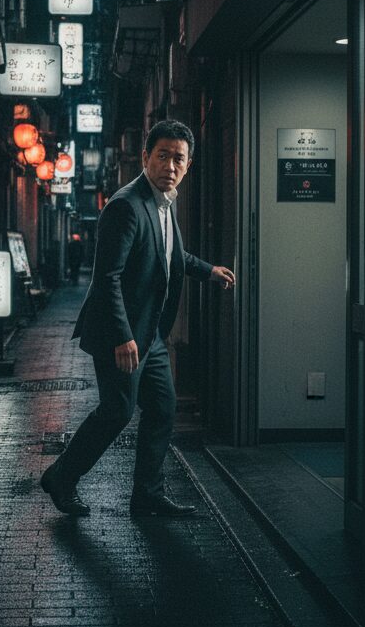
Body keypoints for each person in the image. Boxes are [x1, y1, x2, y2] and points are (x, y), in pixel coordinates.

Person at [41, 120, 236, 518]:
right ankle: (61, 477)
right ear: (146, 157)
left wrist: (207, 270)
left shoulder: (163, 203)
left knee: (163, 408)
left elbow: (168, 257)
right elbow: (107, 277)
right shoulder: (126, 205)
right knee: (117, 411)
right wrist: (122, 336)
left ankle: (147, 494)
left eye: (178, 158)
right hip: (122, 334)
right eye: (161, 155)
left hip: (150, 334)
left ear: (188, 164)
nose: (169, 164)